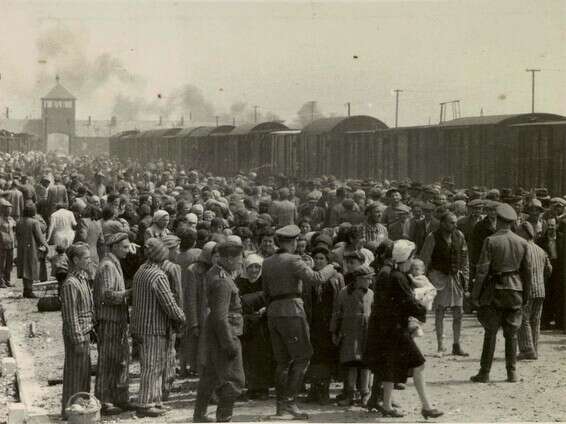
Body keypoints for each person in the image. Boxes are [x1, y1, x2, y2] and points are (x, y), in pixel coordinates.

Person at [262, 224, 337, 419]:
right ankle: (290, 403)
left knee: (282, 361)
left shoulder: (268, 262)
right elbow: (317, 278)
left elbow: (266, 291)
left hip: (274, 312)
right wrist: (332, 266)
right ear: (294, 241)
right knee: (303, 356)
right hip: (292, 311)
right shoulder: (294, 259)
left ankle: (280, 406)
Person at [364, 239, 443, 419]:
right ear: (407, 258)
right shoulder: (399, 277)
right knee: (419, 363)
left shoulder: (395, 274)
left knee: (390, 366)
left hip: (390, 329)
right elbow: (409, 303)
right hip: (397, 330)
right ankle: (426, 406)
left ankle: (386, 405)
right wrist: (423, 308)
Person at [471, 203, 532, 383]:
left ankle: (485, 372)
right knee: (511, 333)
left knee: (490, 332)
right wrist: (526, 295)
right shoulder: (522, 242)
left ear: (498, 220)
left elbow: (482, 271)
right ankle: (511, 372)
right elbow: (527, 272)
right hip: (515, 290)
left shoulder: (490, 240)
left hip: (494, 290)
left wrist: (475, 295)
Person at [131, 238, 186, 418]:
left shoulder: (141, 271)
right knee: (152, 367)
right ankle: (146, 403)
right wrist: (181, 317)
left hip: (140, 325)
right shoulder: (158, 275)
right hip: (154, 327)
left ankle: (154, 400)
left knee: (150, 365)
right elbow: (169, 303)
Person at [193, 239, 245, 423]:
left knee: (211, 375)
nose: (241, 261)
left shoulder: (215, 272)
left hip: (215, 333)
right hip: (225, 333)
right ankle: (224, 418)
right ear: (229, 259)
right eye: (239, 258)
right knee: (234, 380)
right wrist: (229, 343)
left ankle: (199, 416)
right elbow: (221, 316)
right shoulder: (222, 281)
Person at [93, 232, 134, 415]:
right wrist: (129, 293)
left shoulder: (114, 263)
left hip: (117, 320)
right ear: (115, 246)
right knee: (108, 361)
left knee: (121, 360)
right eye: (125, 247)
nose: (128, 250)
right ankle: (104, 400)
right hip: (109, 320)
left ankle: (119, 397)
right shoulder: (108, 266)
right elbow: (107, 295)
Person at [419, 212, 470, 356]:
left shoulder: (459, 236)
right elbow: (424, 259)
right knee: (440, 311)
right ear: (442, 223)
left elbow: (465, 259)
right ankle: (441, 346)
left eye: (455, 222)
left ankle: (456, 344)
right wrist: (425, 281)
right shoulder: (432, 237)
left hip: (455, 278)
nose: (455, 225)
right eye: (451, 222)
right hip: (439, 278)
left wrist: (465, 278)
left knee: (458, 312)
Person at [305, 246, 344, 405]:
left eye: (322, 258)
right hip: (314, 323)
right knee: (314, 356)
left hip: (329, 322)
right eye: (317, 258)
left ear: (328, 261)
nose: (319, 261)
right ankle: (314, 390)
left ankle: (324, 391)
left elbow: (340, 301)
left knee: (327, 357)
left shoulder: (336, 277)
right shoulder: (311, 277)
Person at [60, 243, 95, 419]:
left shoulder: (83, 278)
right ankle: (70, 410)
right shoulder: (71, 284)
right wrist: (78, 339)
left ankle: (80, 408)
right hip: (77, 334)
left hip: (85, 331)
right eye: (86, 258)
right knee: (75, 372)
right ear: (76, 260)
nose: (90, 261)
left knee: (83, 373)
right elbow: (70, 315)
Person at [331, 266, 374, 407]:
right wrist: (334, 331)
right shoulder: (344, 293)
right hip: (350, 333)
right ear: (359, 279)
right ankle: (350, 394)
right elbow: (337, 313)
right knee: (351, 364)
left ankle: (365, 394)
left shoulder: (371, 293)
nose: (370, 281)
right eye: (368, 278)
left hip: (366, 333)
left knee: (365, 364)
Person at [236, 254, 273, 400]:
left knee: (263, 355)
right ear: (245, 268)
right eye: (251, 267)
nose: (254, 270)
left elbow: (271, 299)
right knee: (248, 355)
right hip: (247, 323)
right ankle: (251, 387)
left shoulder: (266, 281)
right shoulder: (240, 282)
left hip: (263, 323)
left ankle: (263, 388)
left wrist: (265, 309)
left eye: (257, 266)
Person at [181, 241, 217, 377]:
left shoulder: (218, 269)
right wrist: (194, 322)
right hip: (201, 315)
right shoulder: (194, 270)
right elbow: (190, 299)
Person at [517, 222, 551, 360]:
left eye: (519, 231)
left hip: (527, 289)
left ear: (525, 232)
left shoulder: (522, 248)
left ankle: (527, 350)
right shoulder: (540, 250)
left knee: (523, 319)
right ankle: (534, 349)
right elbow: (549, 269)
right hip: (540, 289)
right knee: (536, 320)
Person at [16, 203, 49, 298]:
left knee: (23, 268)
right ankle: (29, 291)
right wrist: (46, 247)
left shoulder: (19, 222)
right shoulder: (34, 222)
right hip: (31, 248)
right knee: (30, 267)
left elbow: (17, 235)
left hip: (21, 248)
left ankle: (26, 289)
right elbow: (39, 237)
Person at [0, 198, 16, 288]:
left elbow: (14, 228)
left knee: (9, 264)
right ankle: (1, 281)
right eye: (7, 208)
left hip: (11, 244)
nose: (9, 210)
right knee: (1, 264)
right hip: (2, 245)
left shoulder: (11, 219)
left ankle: (7, 280)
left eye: (10, 208)